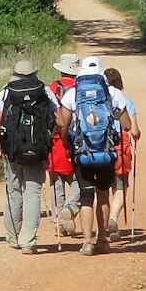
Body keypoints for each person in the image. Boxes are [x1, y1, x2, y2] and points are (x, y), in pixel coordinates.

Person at [56, 56, 135, 255]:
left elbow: (62, 125)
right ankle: (102, 239)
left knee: (85, 196)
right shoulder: (113, 93)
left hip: (83, 152)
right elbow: (127, 125)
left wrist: (67, 144)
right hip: (106, 153)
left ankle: (87, 242)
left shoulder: (73, 93)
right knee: (103, 195)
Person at [0, 57, 53, 254]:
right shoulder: (44, 90)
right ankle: (28, 241)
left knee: (14, 190)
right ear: (34, 73)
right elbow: (59, 119)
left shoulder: (6, 91)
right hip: (37, 148)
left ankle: (13, 236)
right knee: (32, 192)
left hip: (13, 150)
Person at [47, 53, 82, 239]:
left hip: (54, 143)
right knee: (79, 181)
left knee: (55, 186)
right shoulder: (81, 89)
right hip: (75, 142)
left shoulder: (50, 88)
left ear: (60, 68)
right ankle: (71, 207)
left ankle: (59, 224)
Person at [104, 66, 142, 236]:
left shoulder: (98, 100)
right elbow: (133, 131)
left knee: (102, 188)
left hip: (101, 146)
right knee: (120, 187)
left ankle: (103, 226)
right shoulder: (127, 101)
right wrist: (137, 136)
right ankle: (113, 219)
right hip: (121, 146)